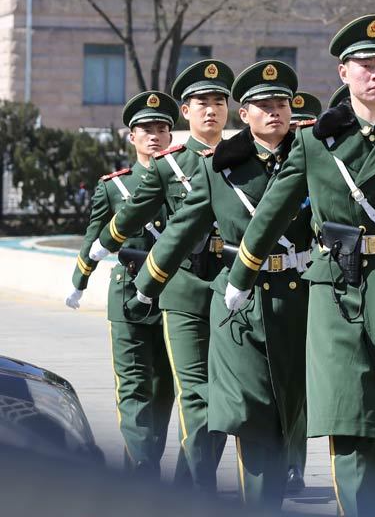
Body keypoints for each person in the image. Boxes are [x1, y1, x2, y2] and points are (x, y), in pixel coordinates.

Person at [225, 14, 375, 517]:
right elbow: (275, 208)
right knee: (350, 421)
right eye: (365, 65)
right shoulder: (313, 141)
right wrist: (243, 273)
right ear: (343, 73)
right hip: (336, 292)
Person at [129, 60, 310, 510]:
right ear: (245, 114)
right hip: (238, 305)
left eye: (282, 104)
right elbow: (183, 228)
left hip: (302, 298)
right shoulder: (220, 169)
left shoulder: (316, 159)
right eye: (263, 105)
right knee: (247, 413)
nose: (275, 112)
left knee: (291, 413)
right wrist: (146, 285)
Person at [89, 60, 235, 491]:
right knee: (193, 394)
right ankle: (181, 485)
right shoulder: (168, 166)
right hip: (183, 286)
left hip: (231, 285)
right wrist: (101, 250)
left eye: (218, 102)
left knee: (221, 396)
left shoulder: (245, 158)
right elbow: (134, 217)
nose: (211, 111)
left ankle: (189, 481)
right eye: (201, 103)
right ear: (186, 112)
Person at [65, 91, 185, 479]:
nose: (155, 136)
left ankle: (149, 454)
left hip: (172, 292)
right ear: (130, 137)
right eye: (146, 130)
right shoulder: (114, 187)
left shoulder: (184, 181)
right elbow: (93, 236)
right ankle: (143, 461)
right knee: (132, 383)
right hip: (128, 294)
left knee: (165, 386)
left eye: (162, 129)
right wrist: (79, 279)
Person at [285, 89, 322, 494]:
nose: (297, 132)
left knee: (299, 384)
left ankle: (294, 462)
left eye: (305, 126)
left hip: (310, 285)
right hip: (267, 287)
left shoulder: (323, 170)